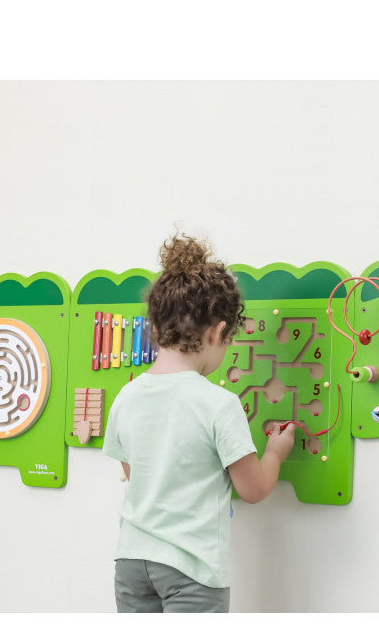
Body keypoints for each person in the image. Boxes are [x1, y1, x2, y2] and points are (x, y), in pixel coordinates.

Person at [103, 233, 295, 613]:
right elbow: (253, 489)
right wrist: (275, 452)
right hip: (191, 568)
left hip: (131, 561)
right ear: (217, 332)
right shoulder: (219, 404)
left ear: (157, 328)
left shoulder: (126, 395)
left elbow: (132, 470)